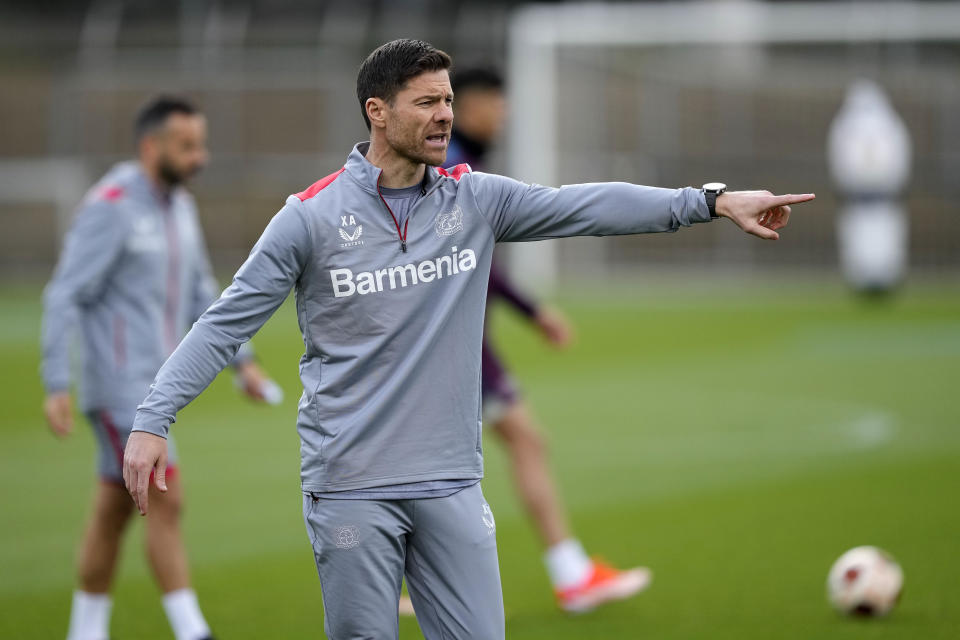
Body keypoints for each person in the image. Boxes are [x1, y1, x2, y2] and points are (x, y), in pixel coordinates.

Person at [122, 39, 814, 640]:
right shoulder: (309, 219)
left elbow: (586, 205)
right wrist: (154, 419)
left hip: (451, 482)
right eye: (426, 102)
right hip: (350, 486)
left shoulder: (474, 198)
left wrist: (712, 201)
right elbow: (224, 323)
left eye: (447, 100)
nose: (445, 114)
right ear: (377, 112)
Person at [408, 66, 652, 614]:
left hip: (445, 337)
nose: (504, 113)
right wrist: (534, 311)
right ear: (464, 106)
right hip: (445, 341)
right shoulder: (450, 166)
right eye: (495, 102)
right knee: (509, 445)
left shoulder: (452, 162)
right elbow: (470, 258)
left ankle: (403, 579)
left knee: (447, 457)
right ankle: (570, 577)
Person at [42, 96, 275, 640]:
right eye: (187, 145)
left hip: (156, 387)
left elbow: (201, 294)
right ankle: (193, 631)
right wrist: (57, 381)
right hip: (120, 389)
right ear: (152, 146)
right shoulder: (111, 205)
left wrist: (244, 362)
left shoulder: (180, 205)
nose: (201, 157)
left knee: (113, 511)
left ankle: (85, 631)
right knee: (168, 496)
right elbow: (64, 294)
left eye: (202, 144)